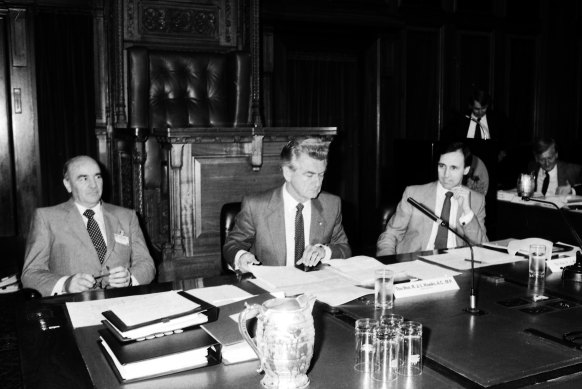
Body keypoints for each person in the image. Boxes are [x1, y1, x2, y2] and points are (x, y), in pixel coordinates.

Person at [22, 155, 156, 296]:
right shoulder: (46, 218)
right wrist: (65, 283)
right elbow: (30, 274)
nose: (93, 185)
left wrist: (129, 278)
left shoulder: (127, 217)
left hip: (122, 303)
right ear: (68, 184)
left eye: (97, 177)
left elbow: (147, 264)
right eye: (84, 178)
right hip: (72, 306)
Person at [223, 137, 351, 273]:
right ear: (288, 173)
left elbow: (344, 248)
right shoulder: (256, 206)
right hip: (271, 287)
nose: (317, 183)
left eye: (321, 175)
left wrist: (324, 251)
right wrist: (241, 256)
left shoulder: (331, 204)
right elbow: (232, 244)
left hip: (314, 288)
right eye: (309, 175)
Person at [376, 141, 488, 256]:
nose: (446, 174)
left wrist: (467, 212)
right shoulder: (413, 194)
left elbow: (483, 248)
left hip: (456, 265)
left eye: (453, 168)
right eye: (442, 166)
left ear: (466, 170)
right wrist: (388, 263)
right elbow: (390, 235)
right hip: (415, 263)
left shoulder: (476, 200)